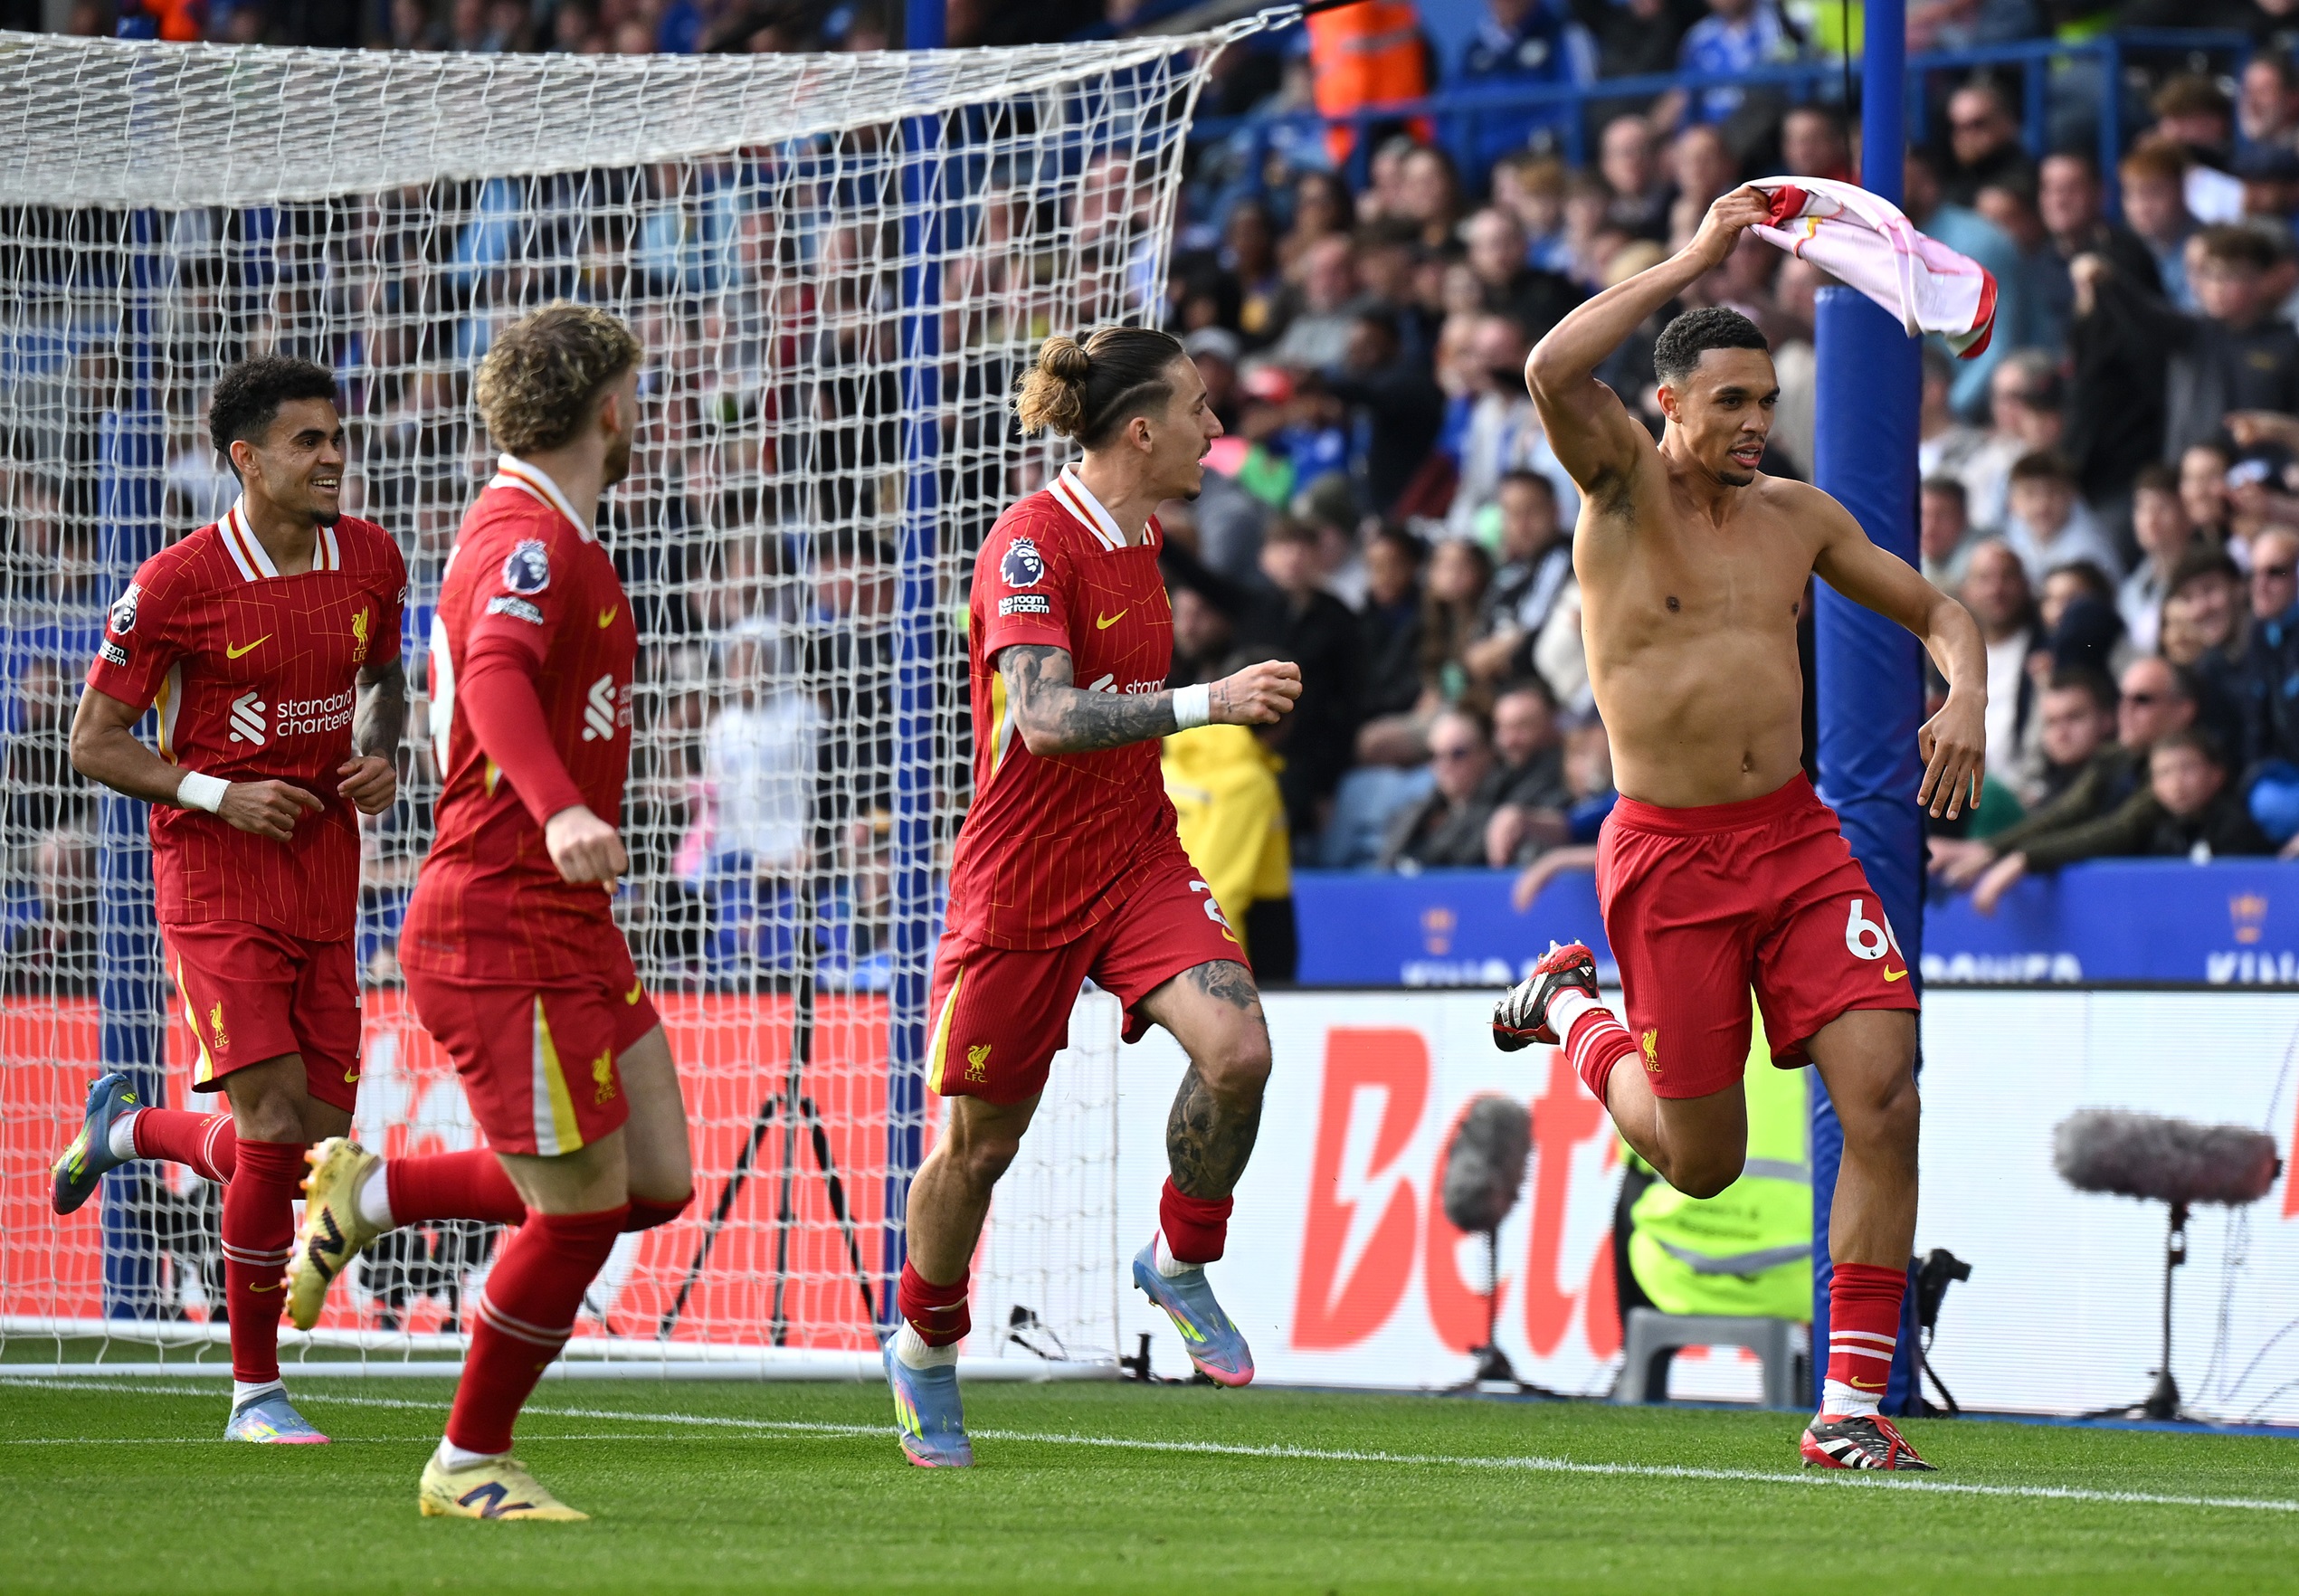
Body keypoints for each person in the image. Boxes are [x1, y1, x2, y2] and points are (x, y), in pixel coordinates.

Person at [1499, 187, 1987, 1473]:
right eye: (1730, 402)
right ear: (1666, 404)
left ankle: (1848, 1410)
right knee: (1700, 1162)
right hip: (1667, 859)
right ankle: (1570, 1012)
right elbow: (1550, 363)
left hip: (1797, 844)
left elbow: (1947, 616)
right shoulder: (1613, 488)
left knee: (1884, 1101)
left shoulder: (1799, 519)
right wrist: (1700, 256)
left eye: (1767, 403)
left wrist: (1967, 695)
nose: (1756, 425)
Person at [287, 306, 698, 1520]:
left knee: (654, 1181)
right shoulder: (525, 539)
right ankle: (467, 1461)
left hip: (563, 919)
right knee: (576, 1213)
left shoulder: (555, 531)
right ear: (607, 407)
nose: (642, 412)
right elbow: (501, 681)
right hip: (501, 918)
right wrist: (564, 807)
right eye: (636, 391)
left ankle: (373, 1198)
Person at [887, 328, 1300, 1468]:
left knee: (1240, 1052)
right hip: (1021, 883)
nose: (1217, 431)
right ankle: (923, 1347)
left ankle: (1177, 1259)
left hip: (1136, 858)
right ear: (1140, 429)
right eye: (1202, 411)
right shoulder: (1031, 546)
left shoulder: (1145, 537)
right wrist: (1206, 699)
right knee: (978, 1149)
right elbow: (1048, 720)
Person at [46, 356, 407, 1444]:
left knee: (311, 1155)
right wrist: (215, 791)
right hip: (213, 870)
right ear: (246, 459)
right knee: (266, 1127)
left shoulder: (373, 557)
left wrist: (382, 752)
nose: (334, 455)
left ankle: (132, 1130)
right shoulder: (174, 585)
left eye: (338, 437)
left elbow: (386, 678)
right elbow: (93, 741)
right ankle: (256, 1394)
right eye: (309, 441)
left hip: (321, 864)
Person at [1969, 727, 2271, 911]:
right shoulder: (2162, 831)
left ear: (2217, 775)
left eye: (2188, 769)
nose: (2177, 783)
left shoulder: (2236, 828)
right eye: (2164, 773)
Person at [1379, 706, 1496, 870]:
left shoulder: (1500, 811)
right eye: (1435, 756)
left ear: (1486, 754)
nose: (1444, 765)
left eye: (1458, 754)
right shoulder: (1416, 813)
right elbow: (1385, 869)